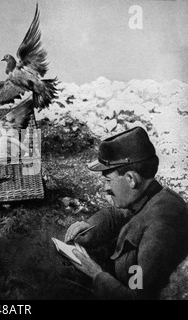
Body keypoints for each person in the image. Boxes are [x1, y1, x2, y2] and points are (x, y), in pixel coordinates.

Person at [63, 126, 188, 300]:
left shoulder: (160, 229)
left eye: (108, 181)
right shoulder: (150, 195)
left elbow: (137, 296)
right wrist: (90, 228)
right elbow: (118, 214)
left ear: (130, 179)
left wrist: (96, 274)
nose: (105, 189)